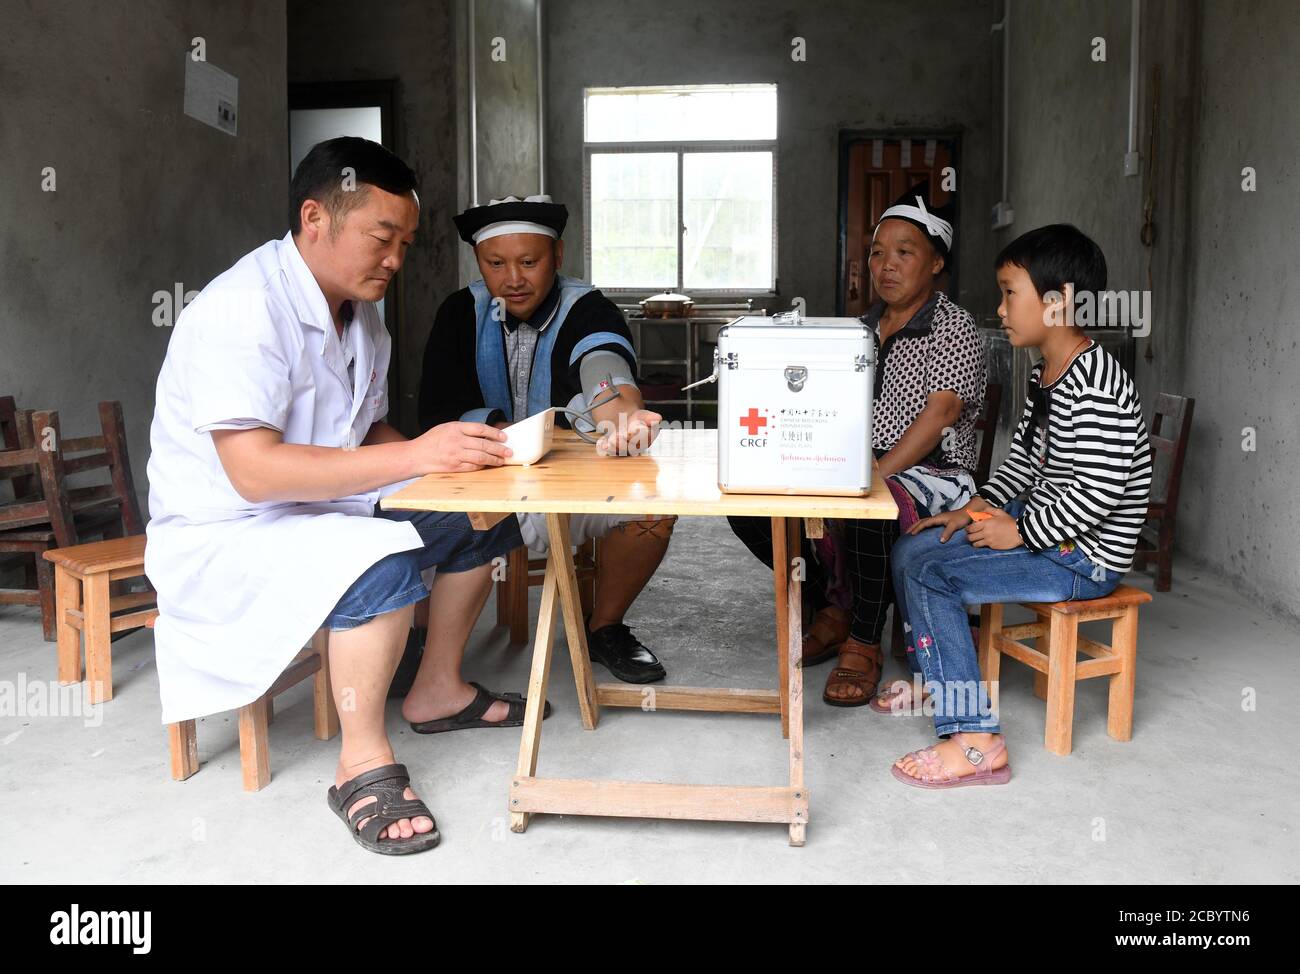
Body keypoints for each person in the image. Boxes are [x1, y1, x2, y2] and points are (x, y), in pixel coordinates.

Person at [146, 137, 531, 856]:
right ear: (315, 217)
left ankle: (436, 689)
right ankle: (361, 762)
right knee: (377, 564)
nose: (395, 260)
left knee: (479, 517)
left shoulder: (362, 315)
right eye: (382, 238)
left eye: (405, 244)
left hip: (320, 511)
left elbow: (364, 426)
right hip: (233, 531)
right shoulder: (243, 309)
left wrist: (447, 462)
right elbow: (255, 473)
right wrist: (414, 454)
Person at [888, 224, 1152, 788]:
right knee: (916, 545)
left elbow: (1098, 493)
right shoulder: (1047, 374)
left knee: (934, 576)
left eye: (1011, 292)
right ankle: (935, 681)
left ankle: (977, 739)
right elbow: (1026, 466)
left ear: (1060, 302)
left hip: (1085, 557)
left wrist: (1022, 531)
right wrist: (975, 508)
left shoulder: (1096, 385)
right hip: (1053, 538)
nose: (1001, 308)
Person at [729, 180, 985, 707]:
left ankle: (864, 642)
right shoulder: (859, 330)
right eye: (876, 253)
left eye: (904, 253)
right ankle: (833, 604)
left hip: (933, 472)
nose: (885, 265)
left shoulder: (953, 327)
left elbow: (941, 415)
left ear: (936, 263)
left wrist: (874, 475)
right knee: (752, 507)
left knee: (874, 506)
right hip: (860, 461)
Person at [417, 194, 675, 684]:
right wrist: (495, 436)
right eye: (497, 263)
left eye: (529, 262)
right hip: (482, 482)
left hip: (570, 488)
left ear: (557, 257)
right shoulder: (459, 313)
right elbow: (437, 408)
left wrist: (620, 414)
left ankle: (605, 627)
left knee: (650, 510)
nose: (513, 278)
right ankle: (421, 645)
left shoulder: (587, 308)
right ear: (479, 262)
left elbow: (605, 372)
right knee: (414, 513)